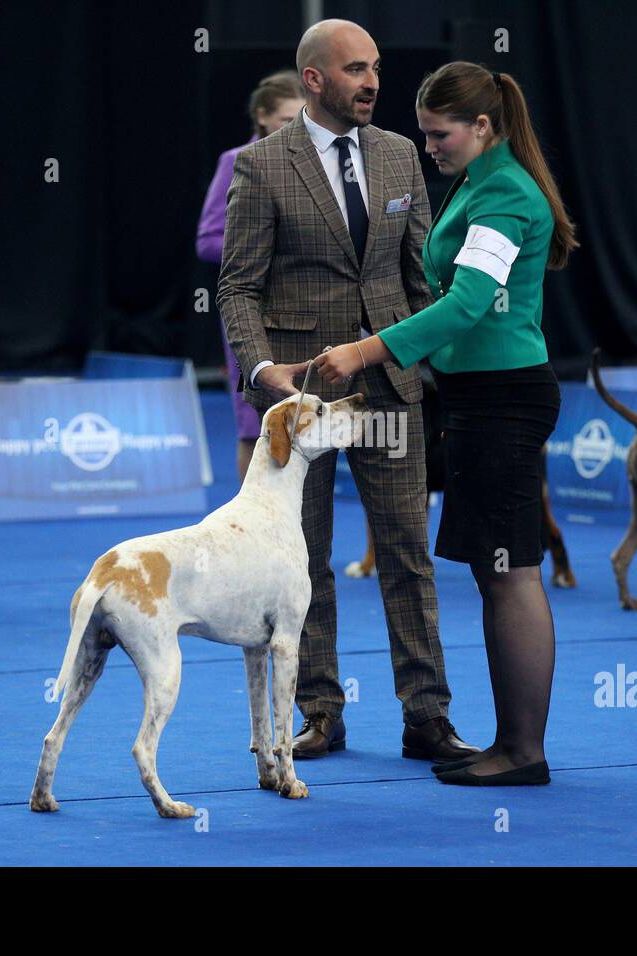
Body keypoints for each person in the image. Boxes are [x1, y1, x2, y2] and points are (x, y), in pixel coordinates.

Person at [218, 19, 478, 763]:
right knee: (303, 558)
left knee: (407, 552)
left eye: (375, 67)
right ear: (314, 80)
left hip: (390, 390)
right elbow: (237, 287)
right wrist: (265, 374)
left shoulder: (399, 155)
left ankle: (427, 715)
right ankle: (320, 711)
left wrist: (428, 363)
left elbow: (422, 278)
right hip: (300, 407)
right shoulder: (261, 165)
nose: (371, 82)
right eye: (355, 69)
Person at [314, 62, 577, 786]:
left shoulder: (503, 196)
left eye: (440, 135)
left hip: (504, 401)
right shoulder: (481, 182)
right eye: (425, 135)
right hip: (477, 399)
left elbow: (466, 306)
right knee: (500, 575)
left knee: (512, 574)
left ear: (484, 127)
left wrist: (366, 350)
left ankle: (522, 751)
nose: (429, 147)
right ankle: (514, 744)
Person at [197, 71, 304, 482]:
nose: (293, 128)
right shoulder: (237, 161)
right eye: (284, 119)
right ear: (261, 117)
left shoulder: (321, 162)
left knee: (304, 418)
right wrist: (267, 250)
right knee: (253, 425)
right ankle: (249, 536)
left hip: (307, 307)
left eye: (302, 118)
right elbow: (207, 240)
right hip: (252, 312)